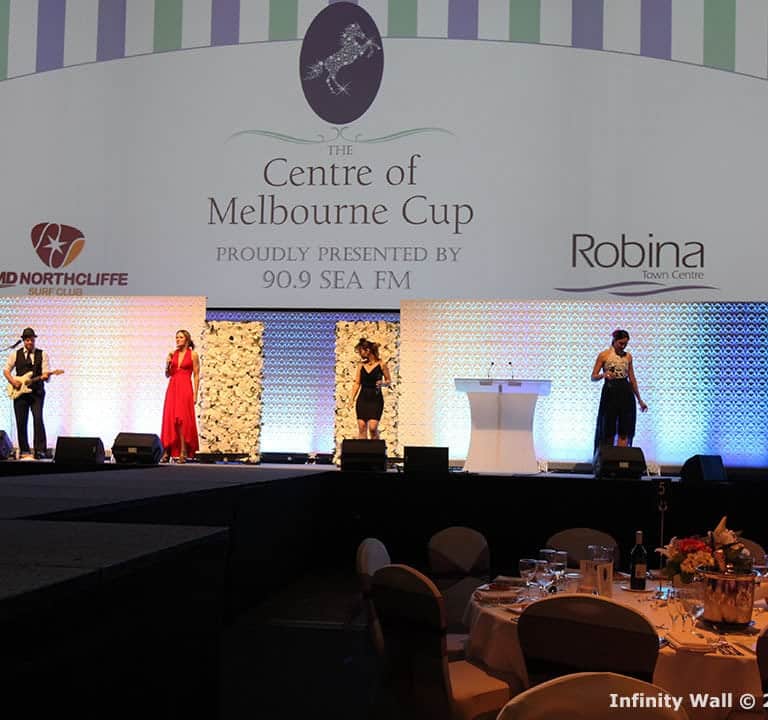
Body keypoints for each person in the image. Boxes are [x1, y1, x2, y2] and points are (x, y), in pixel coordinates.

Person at [591, 328, 648, 450]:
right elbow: (593, 377)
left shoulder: (628, 357)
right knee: (608, 428)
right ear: (614, 340)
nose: (623, 346)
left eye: (625, 344)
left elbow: (632, 379)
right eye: (621, 343)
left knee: (624, 428)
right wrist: (604, 375)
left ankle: (621, 457)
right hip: (610, 391)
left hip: (625, 391)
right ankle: (608, 457)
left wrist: (640, 400)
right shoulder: (604, 355)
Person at [3, 328, 50, 459]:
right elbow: (6, 370)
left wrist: (46, 376)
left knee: (38, 419)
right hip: (20, 393)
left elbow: (46, 372)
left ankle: (40, 450)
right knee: (21, 421)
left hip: (37, 393)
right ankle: (24, 450)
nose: (30, 342)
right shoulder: (15, 354)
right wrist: (13, 382)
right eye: (28, 340)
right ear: (24, 341)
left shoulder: (42, 354)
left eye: (32, 340)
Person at [160, 329, 200, 463]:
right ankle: (167, 451)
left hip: (185, 388)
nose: (178, 339)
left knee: (182, 420)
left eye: (181, 337)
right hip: (173, 387)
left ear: (187, 339)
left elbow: (196, 375)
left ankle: (183, 451)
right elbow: (167, 374)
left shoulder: (193, 354)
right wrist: (167, 363)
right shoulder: (173, 354)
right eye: (176, 337)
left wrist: (195, 394)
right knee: (170, 419)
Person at [349, 337, 391, 440]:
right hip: (363, 398)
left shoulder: (382, 364)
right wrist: (352, 399)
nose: (360, 354)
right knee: (362, 427)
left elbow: (388, 381)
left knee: (372, 428)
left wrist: (382, 383)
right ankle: (363, 450)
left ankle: (376, 448)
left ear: (367, 350)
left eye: (361, 351)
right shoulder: (361, 365)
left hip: (375, 399)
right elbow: (357, 383)